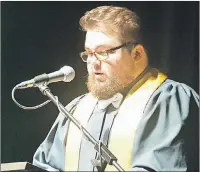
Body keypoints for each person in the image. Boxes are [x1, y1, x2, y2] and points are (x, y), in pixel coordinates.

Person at [32, 5, 199, 172]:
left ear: (137, 54)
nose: (93, 63)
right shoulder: (76, 110)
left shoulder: (167, 100)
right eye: (89, 53)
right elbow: (46, 166)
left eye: (103, 52)